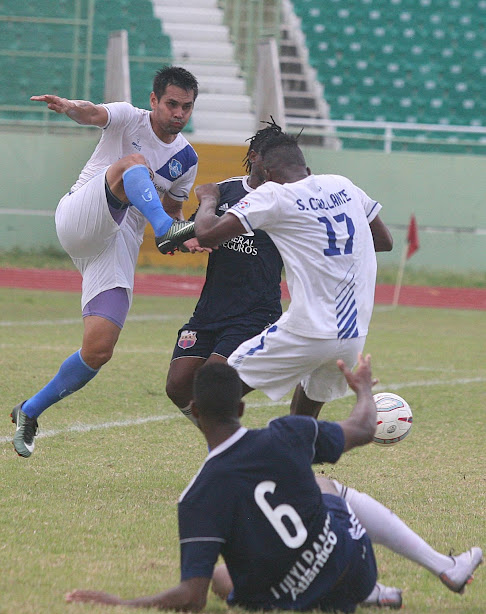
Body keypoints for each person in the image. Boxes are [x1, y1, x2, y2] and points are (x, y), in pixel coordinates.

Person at [65, 361, 482, 613]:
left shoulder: (195, 497)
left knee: (217, 578)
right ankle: (440, 568)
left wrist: (120, 604)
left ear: (194, 410)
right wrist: (362, 391)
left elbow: (190, 598)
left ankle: (373, 595)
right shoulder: (287, 433)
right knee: (324, 482)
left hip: (295, 599)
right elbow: (363, 427)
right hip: (356, 567)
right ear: (242, 407)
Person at [11, 65, 199, 457]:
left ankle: (29, 411)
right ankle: (162, 229)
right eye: (171, 104)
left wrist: (186, 237)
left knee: (99, 348)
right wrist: (68, 107)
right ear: (154, 101)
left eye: (186, 106)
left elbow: (172, 209)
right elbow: (93, 112)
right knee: (134, 164)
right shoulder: (129, 118)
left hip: (118, 243)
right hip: (82, 214)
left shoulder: (187, 159)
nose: (178, 113)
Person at [194, 131, 393, 416]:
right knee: (303, 420)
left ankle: (236, 457)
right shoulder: (342, 184)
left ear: (265, 171)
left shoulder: (274, 194)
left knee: (211, 392)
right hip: (352, 335)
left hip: (306, 331)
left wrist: (209, 198)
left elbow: (207, 235)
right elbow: (384, 241)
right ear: (307, 170)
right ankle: (295, 458)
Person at [165, 121, 285, 424]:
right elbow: (186, 235)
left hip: (254, 315)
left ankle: (228, 448)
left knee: (212, 385)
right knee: (177, 386)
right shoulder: (224, 191)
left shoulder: (287, 200)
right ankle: (222, 441)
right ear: (254, 156)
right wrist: (183, 241)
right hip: (209, 312)